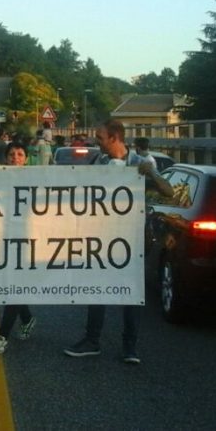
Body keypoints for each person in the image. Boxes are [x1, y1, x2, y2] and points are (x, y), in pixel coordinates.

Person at [64, 119, 163, 365]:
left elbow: (169, 191)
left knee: (131, 294)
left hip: (132, 240)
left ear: (114, 137)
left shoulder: (141, 163)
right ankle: (92, 341)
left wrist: (149, 174)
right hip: (104, 237)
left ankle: (130, 348)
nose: (96, 142)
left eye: (100, 137)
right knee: (97, 288)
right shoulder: (99, 161)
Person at [0, 141, 37, 355]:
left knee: (13, 287)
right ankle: (27, 318)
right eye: (11, 154)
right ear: (5, 158)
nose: (15, 158)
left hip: (28, 242)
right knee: (10, 284)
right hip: (2, 240)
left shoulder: (37, 180)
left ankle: (2, 336)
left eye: (19, 154)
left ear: (26, 158)